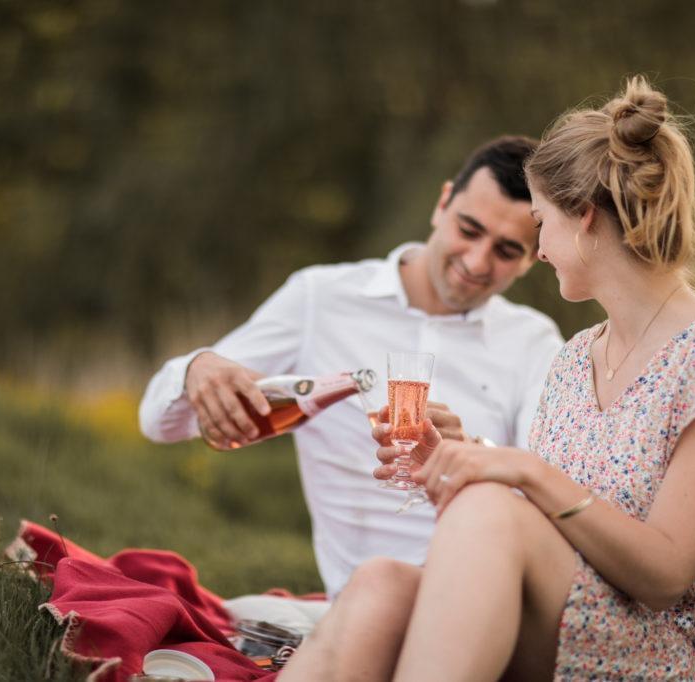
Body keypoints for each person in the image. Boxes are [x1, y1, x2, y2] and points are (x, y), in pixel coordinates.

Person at [278, 76, 695, 680]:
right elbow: (548, 519)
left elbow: (665, 577)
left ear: (584, 220)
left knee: (491, 509)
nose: (539, 251)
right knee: (380, 584)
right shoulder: (577, 358)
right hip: (568, 617)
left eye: (540, 224)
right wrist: (462, 458)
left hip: (664, 646)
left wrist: (518, 469)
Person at [139, 136, 565, 599]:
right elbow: (160, 424)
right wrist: (196, 368)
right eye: (468, 229)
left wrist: (470, 453)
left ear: (532, 258)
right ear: (442, 204)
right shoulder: (319, 298)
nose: (477, 261)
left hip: (482, 590)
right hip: (359, 601)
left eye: (506, 251)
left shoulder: (534, 341)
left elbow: (547, 494)